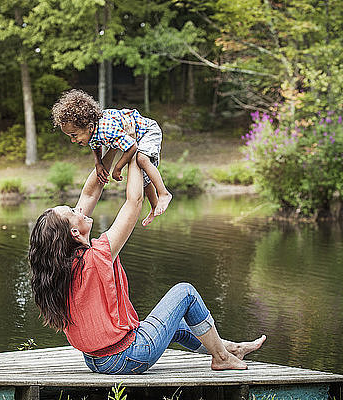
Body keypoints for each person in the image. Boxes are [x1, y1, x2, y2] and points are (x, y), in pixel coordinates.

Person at [28, 152, 266, 374]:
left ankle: (229, 350)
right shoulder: (96, 257)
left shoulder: (62, 267)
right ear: (74, 233)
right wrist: (132, 153)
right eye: (72, 211)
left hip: (95, 359)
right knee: (185, 293)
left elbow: (90, 194)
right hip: (127, 357)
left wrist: (109, 151)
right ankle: (222, 359)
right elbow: (134, 201)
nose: (79, 209)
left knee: (179, 325)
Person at [51, 89, 172, 226]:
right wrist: (98, 163)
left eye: (74, 135)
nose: (73, 140)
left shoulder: (105, 129)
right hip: (133, 137)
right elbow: (95, 144)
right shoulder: (93, 131)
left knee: (142, 160)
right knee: (144, 178)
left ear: (89, 127)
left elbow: (132, 146)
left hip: (147, 131)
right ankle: (155, 205)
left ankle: (164, 193)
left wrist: (117, 168)